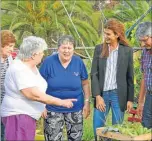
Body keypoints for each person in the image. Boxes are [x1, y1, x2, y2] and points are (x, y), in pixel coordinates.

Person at [0, 36, 77, 141]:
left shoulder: (30, 65)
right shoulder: (19, 69)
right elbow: (33, 94)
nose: (43, 54)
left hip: (26, 117)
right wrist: (61, 102)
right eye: (41, 52)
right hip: (18, 117)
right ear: (34, 54)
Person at [40, 35, 90, 141]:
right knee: (52, 138)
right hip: (53, 108)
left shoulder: (79, 62)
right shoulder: (48, 62)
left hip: (75, 108)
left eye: (69, 48)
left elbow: (85, 83)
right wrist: (41, 105)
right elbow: (40, 84)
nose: (66, 51)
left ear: (73, 50)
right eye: (64, 48)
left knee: (76, 138)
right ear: (58, 48)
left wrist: (86, 102)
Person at [91, 19, 134, 140]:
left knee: (117, 130)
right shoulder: (99, 49)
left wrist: (130, 99)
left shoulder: (127, 51)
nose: (106, 36)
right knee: (97, 128)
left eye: (108, 34)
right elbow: (94, 74)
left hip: (118, 95)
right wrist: (97, 96)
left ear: (117, 34)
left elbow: (130, 77)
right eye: (105, 33)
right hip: (102, 94)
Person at [0, 30, 16, 141]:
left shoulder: (10, 59)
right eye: (9, 46)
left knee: (4, 133)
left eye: (13, 46)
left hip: (5, 105)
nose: (11, 49)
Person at [136, 22, 152, 129]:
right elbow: (144, 77)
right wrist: (141, 102)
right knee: (145, 127)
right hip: (150, 97)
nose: (142, 45)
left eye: (145, 40)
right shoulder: (145, 52)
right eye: (141, 41)